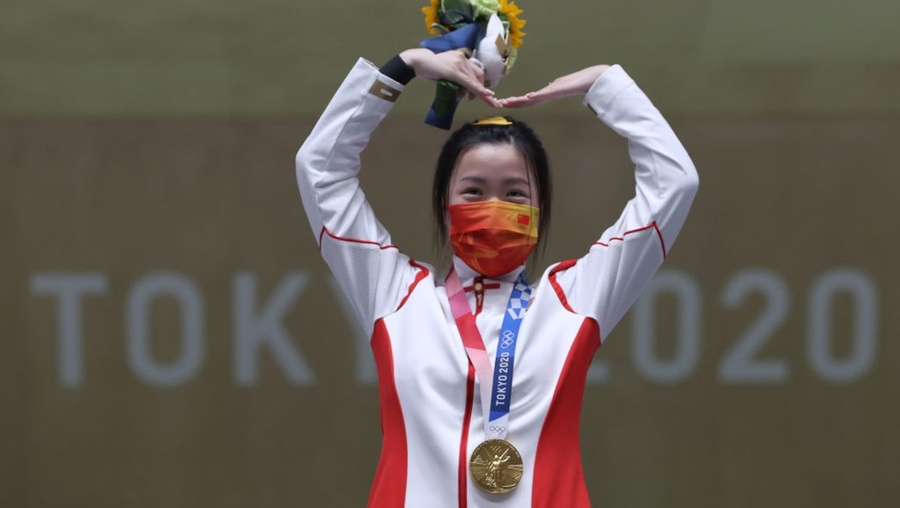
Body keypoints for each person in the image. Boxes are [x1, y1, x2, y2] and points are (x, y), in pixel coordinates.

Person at [296, 47, 698, 507]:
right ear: (443, 206)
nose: (493, 208)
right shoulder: (394, 296)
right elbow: (321, 170)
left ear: (538, 209)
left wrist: (604, 84)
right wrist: (405, 66)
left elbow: (674, 183)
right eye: (473, 191)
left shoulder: (575, 300)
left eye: (514, 193)